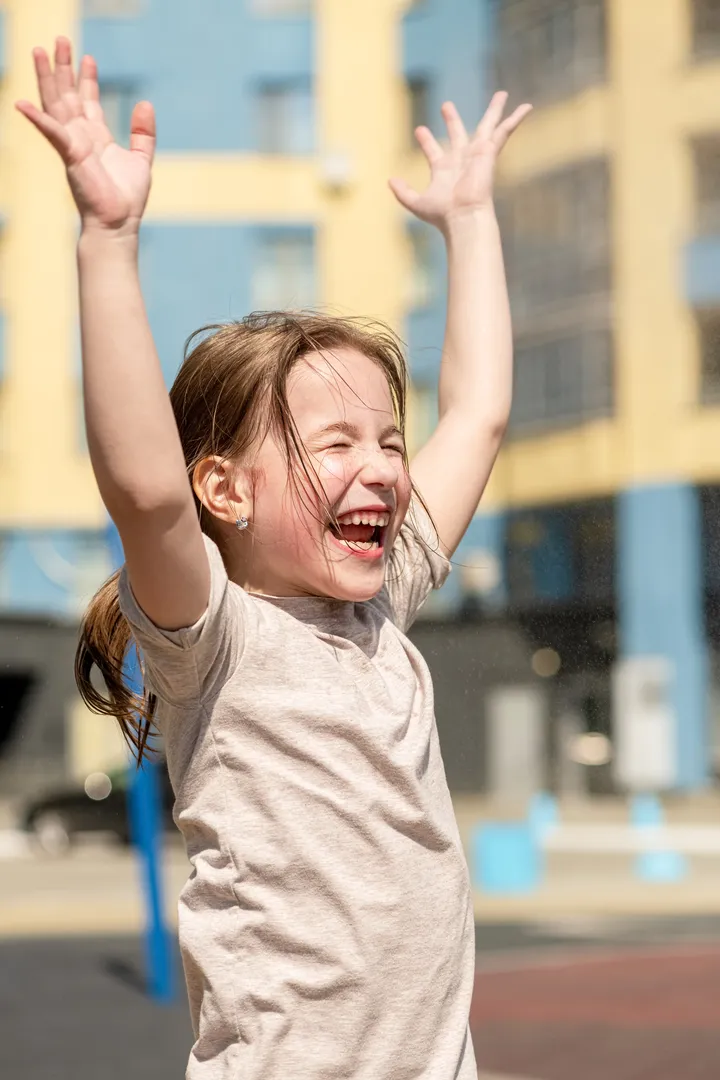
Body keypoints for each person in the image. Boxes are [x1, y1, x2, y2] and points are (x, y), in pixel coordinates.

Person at [17, 36, 530, 1080]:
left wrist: (469, 225)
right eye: (335, 446)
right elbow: (145, 488)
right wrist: (108, 239)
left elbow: (476, 413)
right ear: (226, 489)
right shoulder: (216, 641)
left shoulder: (382, 605)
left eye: (389, 441)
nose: (383, 469)